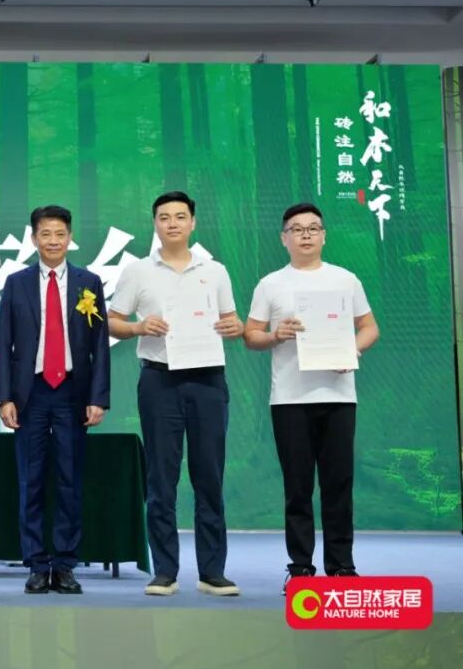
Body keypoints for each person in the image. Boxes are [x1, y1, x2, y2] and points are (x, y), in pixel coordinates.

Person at [107, 191, 243, 598]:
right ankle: (165, 571)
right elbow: (112, 321)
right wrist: (138, 328)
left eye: (180, 217)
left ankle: (212, 572)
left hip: (208, 380)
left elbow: (231, 320)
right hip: (159, 382)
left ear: (193, 223)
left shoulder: (215, 270)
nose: (172, 223)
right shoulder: (137, 271)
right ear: (155, 224)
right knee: (161, 479)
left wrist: (234, 327)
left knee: (209, 476)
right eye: (164, 217)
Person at [243, 203, 379, 591]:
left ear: (324, 236)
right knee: (298, 487)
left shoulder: (345, 280)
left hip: (338, 396)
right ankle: (301, 566)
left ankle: (342, 565)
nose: (306, 235)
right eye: (297, 229)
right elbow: (251, 336)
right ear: (283, 238)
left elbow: (370, 327)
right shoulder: (271, 284)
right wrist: (275, 335)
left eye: (313, 228)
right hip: (290, 399)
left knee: (339, 483)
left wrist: (353, 350)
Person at [0, 205, 110, 595]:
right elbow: (4, 343)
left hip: (73, 392)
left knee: (69, 480)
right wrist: (4, 397)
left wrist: (98, 397)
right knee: (30, 480)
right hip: (31, 393)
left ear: (70, 237)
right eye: (46, 234)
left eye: (60, 234)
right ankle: (35, 563)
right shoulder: (17, 283)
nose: (53, 241)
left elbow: (99, 345)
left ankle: (64, 565)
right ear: (34, 238)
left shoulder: (88, 282)